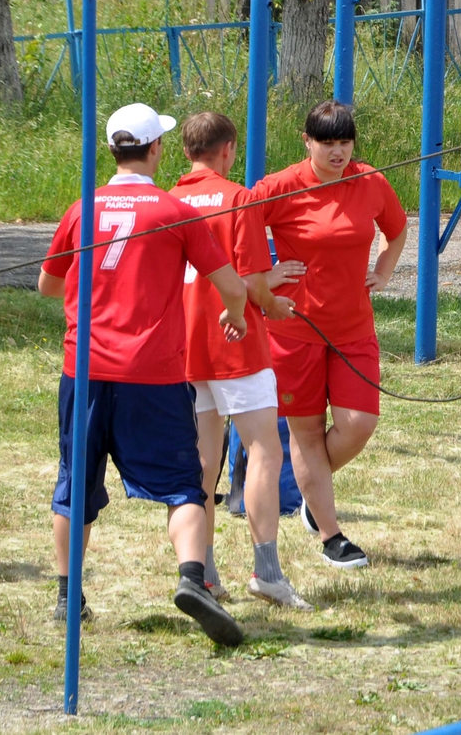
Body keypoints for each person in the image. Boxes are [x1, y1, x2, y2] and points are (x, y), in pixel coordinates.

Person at [37, 102, 250, 647]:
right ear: (156, 150)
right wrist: (236, 314)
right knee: (184, 487)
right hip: (152, 375)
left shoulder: (82, 208)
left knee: (74, 486)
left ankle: (68, 595)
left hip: (83, 370)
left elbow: (48, 284)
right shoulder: (174, 211)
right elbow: (230, 283)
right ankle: (190, 579)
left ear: (113, 150)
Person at [250, 100, 407, 570]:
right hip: (294, 328)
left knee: (358, 423)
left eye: (344, 142)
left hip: (354, 327)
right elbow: (239, 225)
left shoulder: (371, 181)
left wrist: (383, 270)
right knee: (305, 432)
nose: (337, 152)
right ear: (307, 142)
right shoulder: (282, 185)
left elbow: (395, 231)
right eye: (327, 143)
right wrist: (265, 277)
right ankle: (330, 532)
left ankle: (309, 489)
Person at [173, 112, 312, 610]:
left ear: (186, 151)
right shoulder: (240, 199)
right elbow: (251, 282)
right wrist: (275, 305)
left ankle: (203, 572)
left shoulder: (168, 201)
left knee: (202, 462)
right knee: (264, 452)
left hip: (184, 346)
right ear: (228, 149)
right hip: (235, 341)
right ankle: (267, 573)